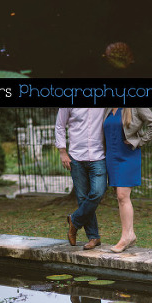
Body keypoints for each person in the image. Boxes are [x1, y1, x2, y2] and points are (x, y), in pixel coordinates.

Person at [102, 106, 152, 251]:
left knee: (122, 196)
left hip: (128, 156)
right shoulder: (107, 109)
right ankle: (130, 234)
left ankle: (126, 236)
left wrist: (139, 142)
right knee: (120, 197)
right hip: (112, 156)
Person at [55, 106, 107, 251]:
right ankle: (93, 236)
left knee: (98, 192)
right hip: (76, 156)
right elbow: (60, 125)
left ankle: (74, 220)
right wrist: (62, 151)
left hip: (98, 155)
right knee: (82, 197)